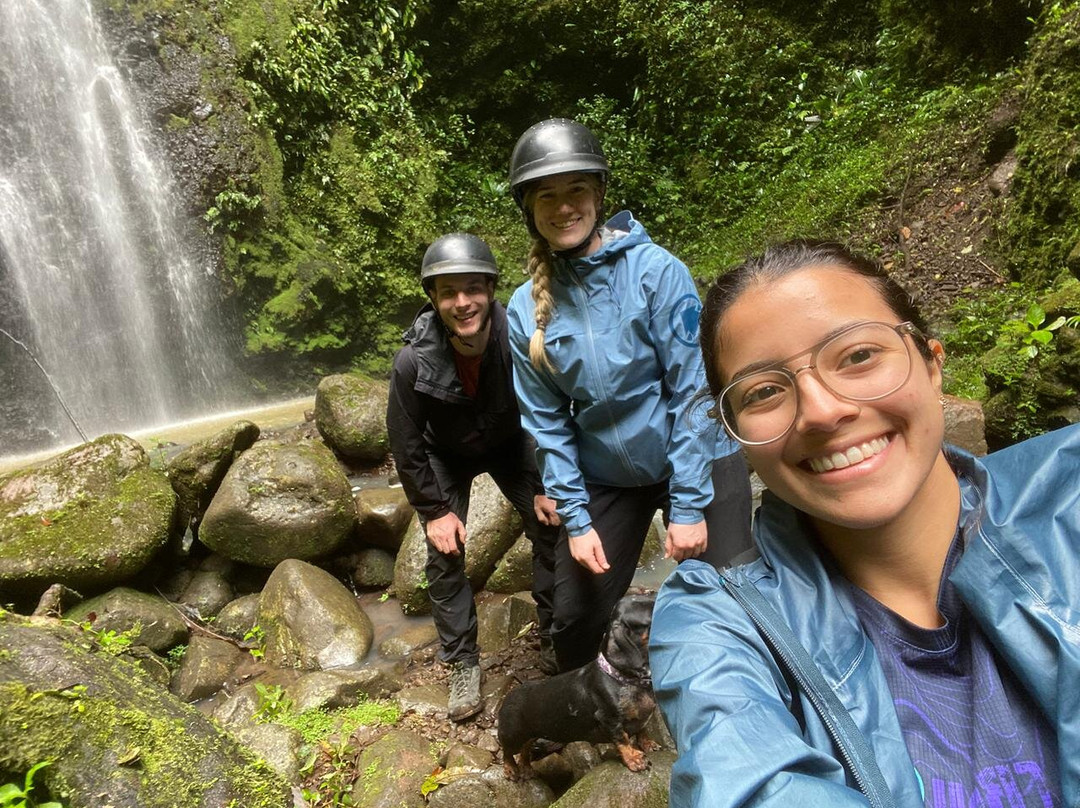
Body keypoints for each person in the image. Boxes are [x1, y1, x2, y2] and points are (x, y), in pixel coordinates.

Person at [650, 239, 1080, 807]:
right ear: (736, 437)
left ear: (932, 362)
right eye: (765, 391)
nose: (823, 411)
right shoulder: (717, 624)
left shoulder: (1068, 495)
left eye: (857, 356)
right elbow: (745, 777)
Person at [505, 118, 753, 672]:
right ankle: (588, 723)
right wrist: (576, 518)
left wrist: (688, 506)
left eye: (577, 191)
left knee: (737, 589)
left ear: (598, 196)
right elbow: (547, 423)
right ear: (530, 208)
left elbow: (694, 392)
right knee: (575, 617)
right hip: (606, 475)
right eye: (548, 195)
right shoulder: (524, 309)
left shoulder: (657, 273)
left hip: (694, 457)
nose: (564, 207)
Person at [386, 232, 561, 722]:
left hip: (511, 442)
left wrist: (550, 484)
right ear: (434, 300)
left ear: (489, 288)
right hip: (445, 453)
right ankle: (463, 662)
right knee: (444, 556)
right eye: (448, 292)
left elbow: (549, 412)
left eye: (472, 289)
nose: (461, 302)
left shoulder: (524, 338)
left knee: (552, 526)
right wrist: (434, 512)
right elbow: (405, 442)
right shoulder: (411, 362)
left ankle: (553, 634)